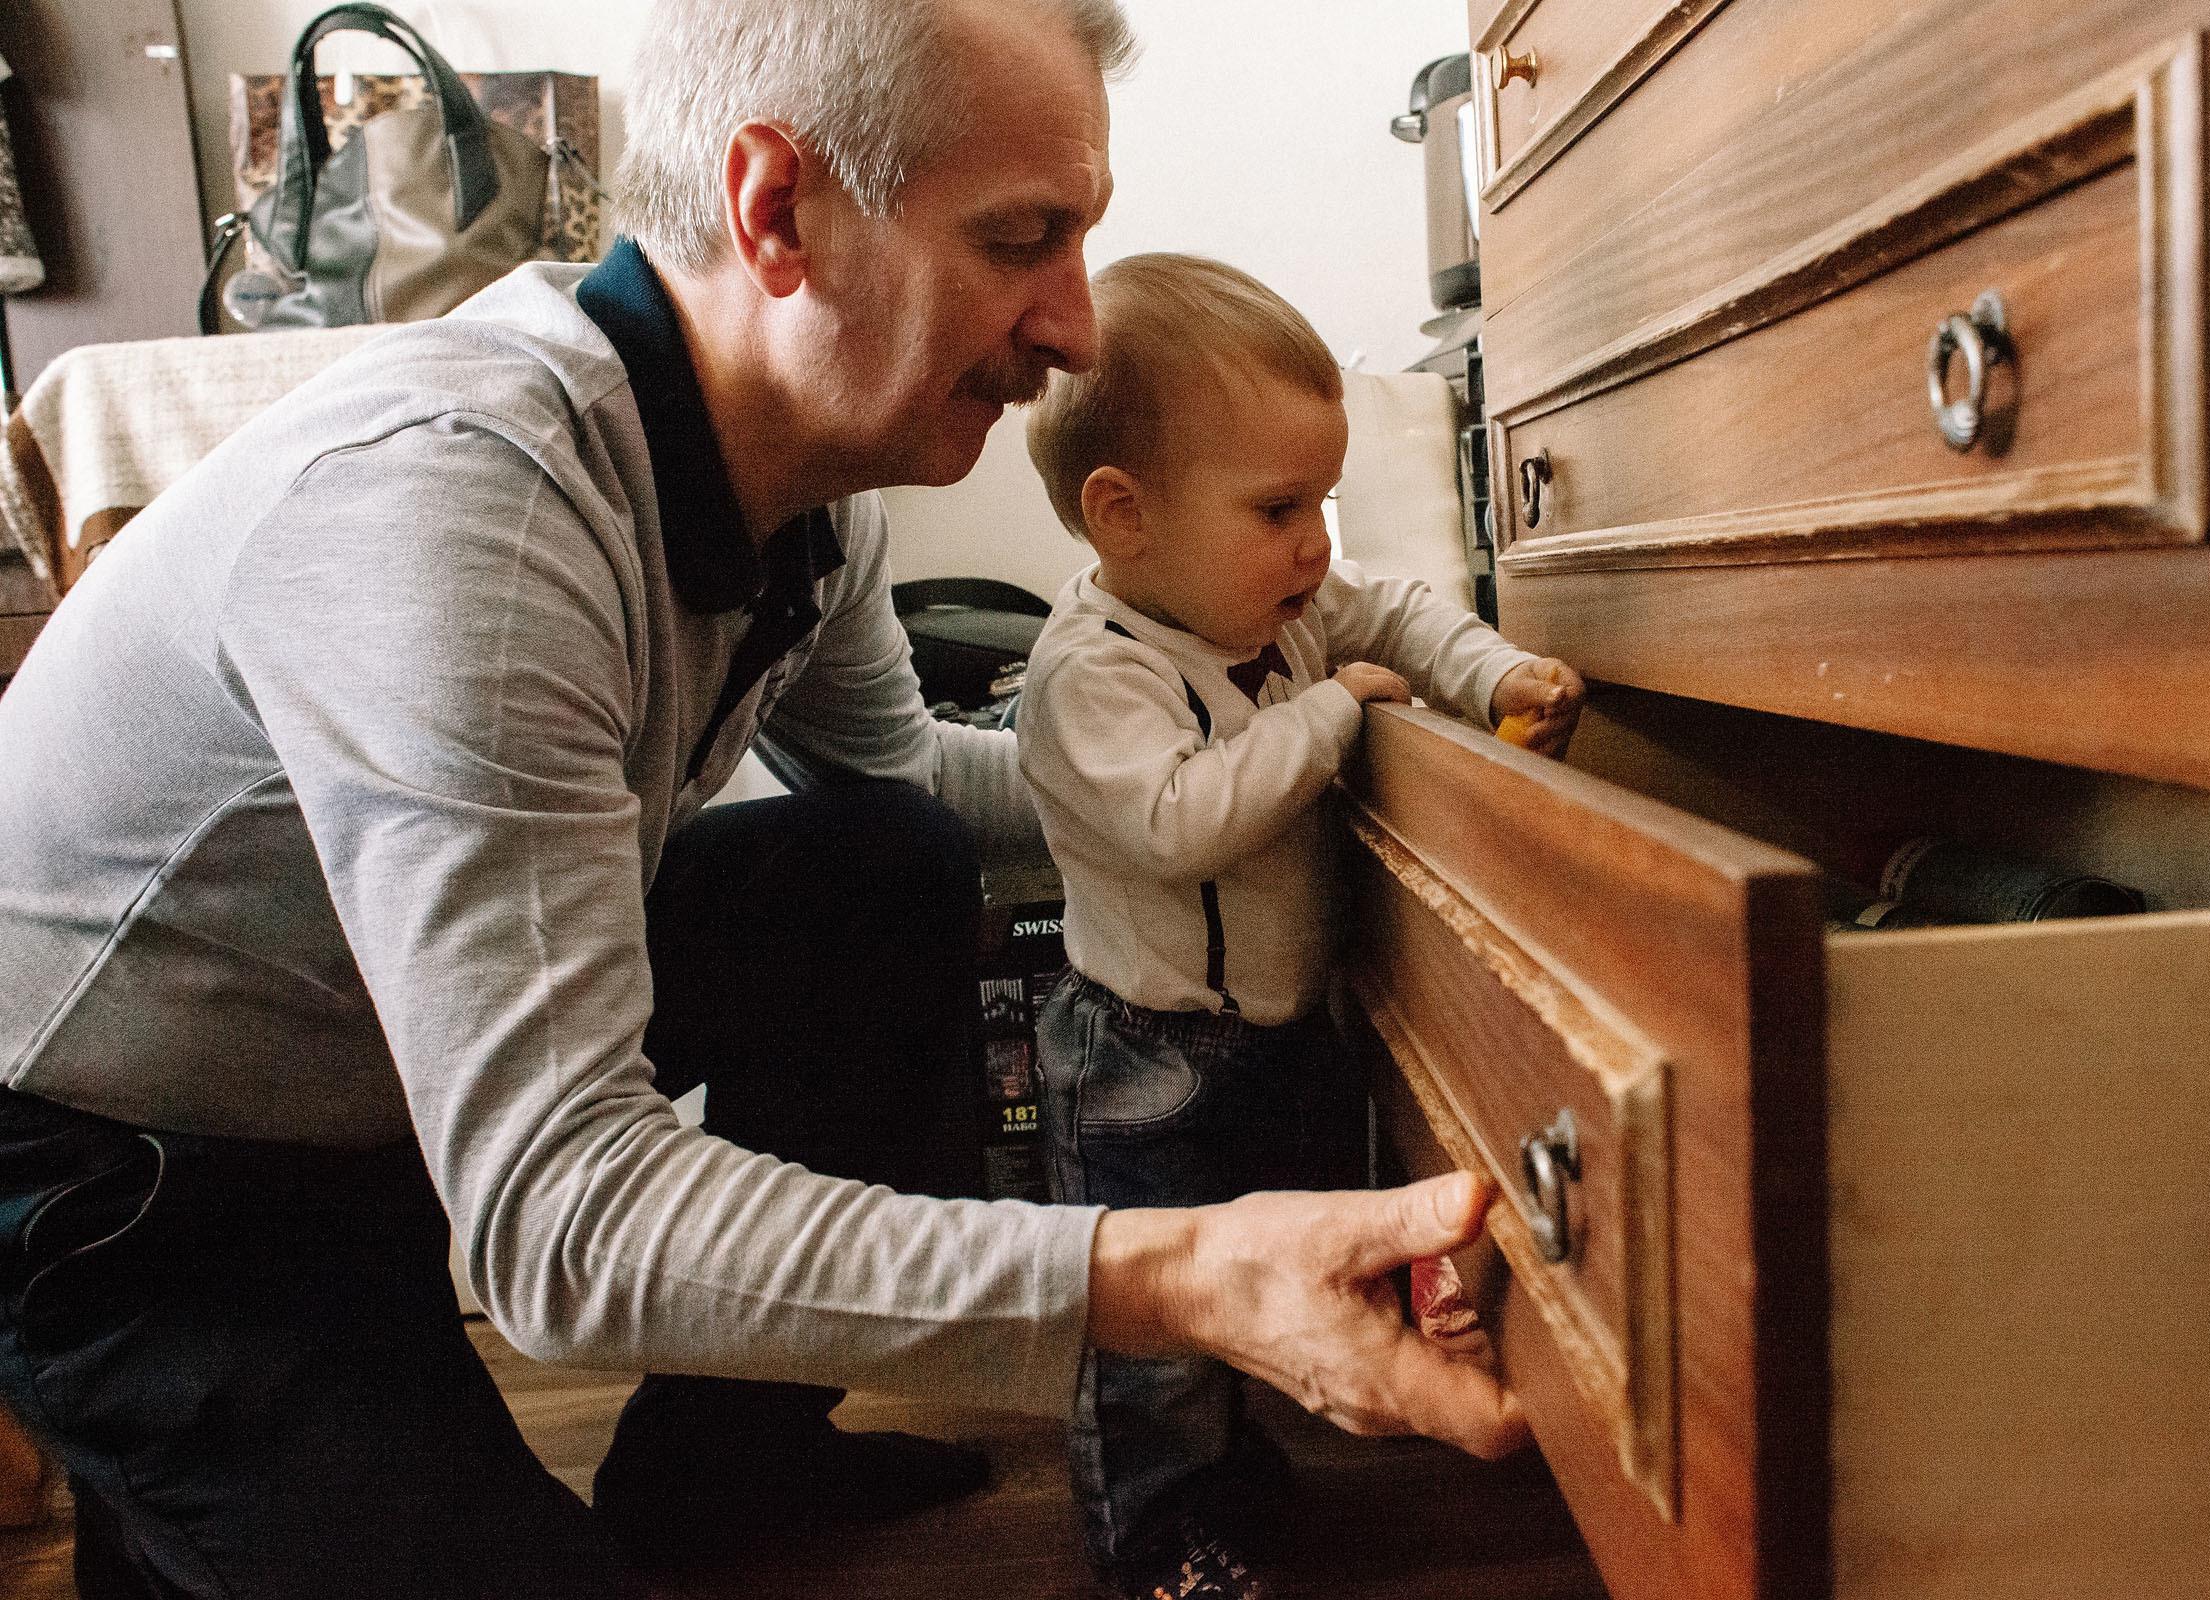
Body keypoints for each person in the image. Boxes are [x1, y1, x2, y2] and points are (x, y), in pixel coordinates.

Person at [0, 2, 1527, 1595]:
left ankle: (725, 1465)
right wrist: (1179, 1269)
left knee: (881, 863)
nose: (1078, 329)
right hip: (135, 1162)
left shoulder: (811, 495)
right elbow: (560, 1222)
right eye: (1023, 238)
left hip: (365, 1043)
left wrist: (1229, 778)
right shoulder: (473, 513)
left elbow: (922, 780)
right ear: (776, 208)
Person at [1014, 252, 1584, 1597]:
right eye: (1278, 509)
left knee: (1272, 1268)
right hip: (1144, 1057)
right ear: (1123, 516)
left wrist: (1499, 672)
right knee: (1151, 1335)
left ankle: (1233, 1469)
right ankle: (1159, 1537)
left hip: (1278, 1030)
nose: (1316, 543)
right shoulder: (1088, 675)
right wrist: (1338, 711)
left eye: (1321, 501)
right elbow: (1180, 820)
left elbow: (1401, 612)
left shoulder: (1292, 601)